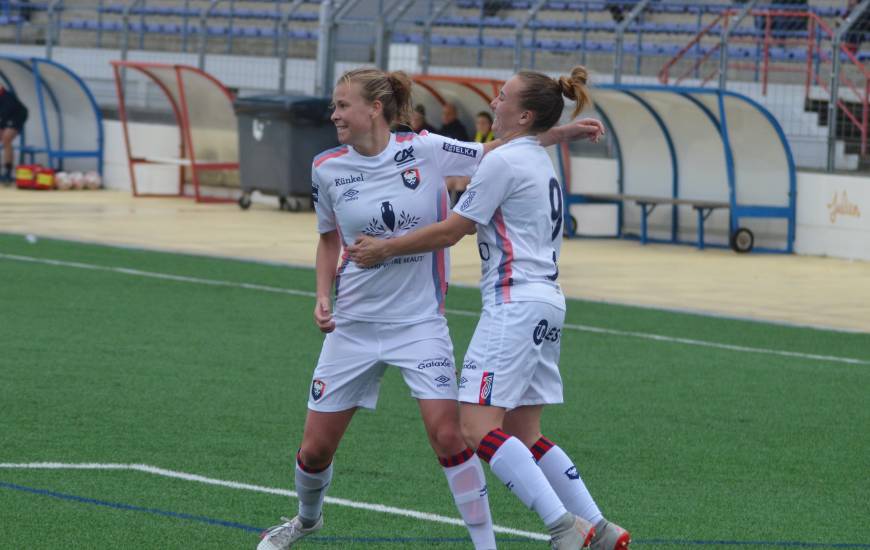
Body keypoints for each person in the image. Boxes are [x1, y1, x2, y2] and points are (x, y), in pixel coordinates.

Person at [257, 67, 604, 550]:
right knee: (314, 451)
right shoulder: (326, 167)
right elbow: (327, 238)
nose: (333, 113)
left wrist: (560, 132)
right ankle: (305, 521)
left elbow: (494, 152)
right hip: (353, 326)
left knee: (452, 436)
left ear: (374, 108)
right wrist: (321, 294)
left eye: (341, 104)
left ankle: (488, 545)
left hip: (421, 325)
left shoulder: (425, 149)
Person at [347, 67, 630, 550]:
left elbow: (451, 230)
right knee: (524, 431)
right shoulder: (538, 158)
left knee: (476, 428)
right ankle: (599, 528)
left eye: (501, 97)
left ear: (523, 114)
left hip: (514, 305)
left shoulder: (506, 163)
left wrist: (385, 248)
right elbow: (510, 155)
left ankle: (564, 529)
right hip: (546, 304)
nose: (493, 103)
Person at [0, 85, 28, 184]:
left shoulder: (7, 97)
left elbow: (5, 114)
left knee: (6, 138)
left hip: (17, 116)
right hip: (6, 118)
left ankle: (8, 170)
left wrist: (2, 127)